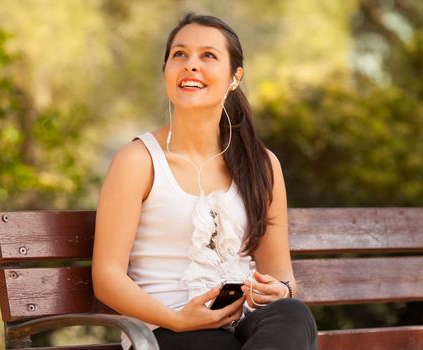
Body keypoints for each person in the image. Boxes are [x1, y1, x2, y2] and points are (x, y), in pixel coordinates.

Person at [92, 13, 318, 350]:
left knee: (293, 315)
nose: (190, 65)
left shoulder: (262, 165)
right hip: (163, 330)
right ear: (166, 71)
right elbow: (107, 278)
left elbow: (282, 277)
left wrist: (279, 290)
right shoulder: (138, 161)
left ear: (234, 77)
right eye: (179, 55)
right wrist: (178, 319)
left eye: (208, 56)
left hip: (242, 327)